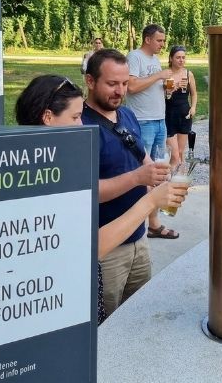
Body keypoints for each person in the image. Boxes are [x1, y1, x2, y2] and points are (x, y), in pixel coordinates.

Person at [15, 73, 187, 323]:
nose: (82, 125)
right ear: (48, 118)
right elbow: (88, 247)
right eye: (75, 117)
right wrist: (150, 202)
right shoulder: (45, 177)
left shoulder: (44, 163)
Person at [81, 49, 175, 317]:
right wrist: (137, 179)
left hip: (139, 239)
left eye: (124, 84)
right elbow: (86, 192)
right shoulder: (81, 125)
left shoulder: (128, 116)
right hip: (106, 250)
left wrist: (159, 175)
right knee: (106, 323)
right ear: (90, 81)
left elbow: (143, 159)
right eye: (111, 84)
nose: (120, 91)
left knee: (138, 316)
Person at [126, 24, 179, 240]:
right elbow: (131, 87)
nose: (162, 44)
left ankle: (153, 224)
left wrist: (167, 88)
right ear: (148, 39)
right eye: (159, 40)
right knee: (143, 174)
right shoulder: (135, 57)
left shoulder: (155, 61)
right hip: (142, 121)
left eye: (163, 41)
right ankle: (134, 224)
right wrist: (158, 76)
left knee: (158, 174)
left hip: (159, 120)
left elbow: (152, 87)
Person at [165, 45, 198, 166]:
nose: (181, 60)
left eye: (183, 57)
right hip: (169, 115)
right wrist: (176, 86)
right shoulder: (166, 74)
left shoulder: (189, 74)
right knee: (174, 155)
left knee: (180, 153)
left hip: (184, 114)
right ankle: (170, 181)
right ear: (171, 58)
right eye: (178, 57)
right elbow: (166, 96)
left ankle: (182, 182)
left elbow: (194, 94)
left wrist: (193, 107)